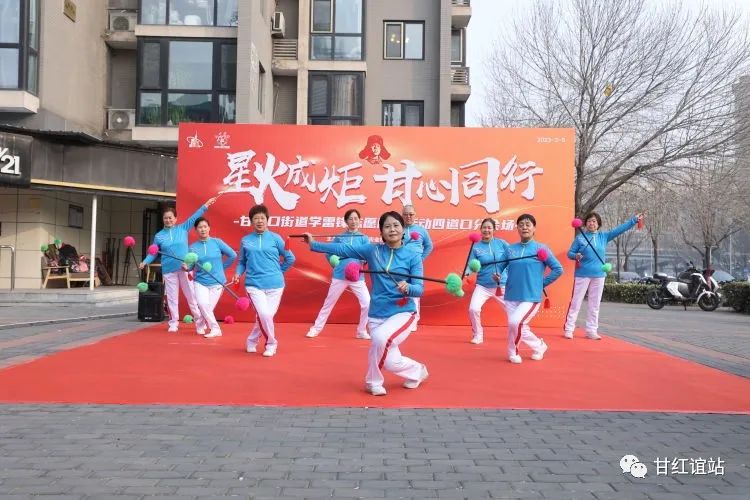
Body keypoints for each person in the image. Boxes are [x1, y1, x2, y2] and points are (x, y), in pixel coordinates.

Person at [302, 211, 427, 396]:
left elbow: (419, 288)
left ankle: (373, 382)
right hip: (377, 314)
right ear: (381, 232)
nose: (392, 229)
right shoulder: (373, 251)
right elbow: (343, 249)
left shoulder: (413, 255)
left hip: (403, 312)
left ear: (403, 230)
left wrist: (408, 287)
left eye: (396, 225)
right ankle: (417, 371)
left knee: (380, 339)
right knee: (390, 360)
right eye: (387, 226)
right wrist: (313, 244)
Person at [140, 196, 218, 333]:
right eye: (165, 218)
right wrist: (145, 262)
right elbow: (153, 252)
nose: (168, 220)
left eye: (170, 218)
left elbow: (194, 217)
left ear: (175, 219)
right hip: (169, 270)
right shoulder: (159, 236)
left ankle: (199, 321)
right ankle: (173, 323)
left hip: (185, 268)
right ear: (163, 219)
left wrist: (205, 205)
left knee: (192, 296)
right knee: (172, 297)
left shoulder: (183, 228)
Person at [563, 212, 643, 340]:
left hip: (599, 274)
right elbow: (570, 253)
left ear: (598, 224)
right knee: (576, 302)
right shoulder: (580, 238)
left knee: (594, 304)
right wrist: (576, 255)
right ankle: (569, 328)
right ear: (585, 223)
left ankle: (591, 330)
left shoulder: (603, 236)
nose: (591, 223)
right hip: (582, 274)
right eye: (589, 221)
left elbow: (619, 229)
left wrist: (634, 220)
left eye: (594, 221)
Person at [496, 214, 563, 364]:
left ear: (534, 228)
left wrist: (541, 284)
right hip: (511, 295)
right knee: (516, 326)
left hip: (530, 296)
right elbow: (499, 267)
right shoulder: (510, 250)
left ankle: (513, 351)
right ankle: (539, 346)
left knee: (515, 322)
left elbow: (558, 269)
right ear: (517, 228)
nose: (524, 227)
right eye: (521, 225)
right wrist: (497, 275)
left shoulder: (541, 249)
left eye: (528, 224)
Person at [232, 204, 295, 357]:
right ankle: (271, 344)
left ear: (267, 220)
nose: (259, 221)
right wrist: (237, 273)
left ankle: (252, 340)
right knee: (264, 315)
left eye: (262, 218)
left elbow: (290, 258)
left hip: (276, 285)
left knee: (265, 316)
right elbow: (242, 262)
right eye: (256, 218)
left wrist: (279, 271)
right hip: (254, 285)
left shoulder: (276, 238)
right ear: (251, 221)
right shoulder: (246, 240)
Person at [306, 209, 371, 339]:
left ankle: (361, 331)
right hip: (340, 275)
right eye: (351, 219)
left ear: (359, 220)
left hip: (357, 277)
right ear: (346, 221)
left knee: (367, 303)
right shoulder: (339, 237)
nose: (354, 221)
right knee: (328, 303)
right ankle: (315, 329)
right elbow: (328, 251)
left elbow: (368, 254)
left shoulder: (364, 238)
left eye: (356, 218)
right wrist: (333, 261)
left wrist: (364, 261)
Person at [185, 217, 236, 338]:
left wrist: (221, 268)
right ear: (196, 230)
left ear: (209, 228)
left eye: (205, 227)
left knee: (208, 308)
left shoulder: (217, 242)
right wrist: (185, 267)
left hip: (217, 282)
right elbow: (190, 266)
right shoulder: (192, 248)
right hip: (200, 281)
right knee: (203, 304)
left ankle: (200, 324)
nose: (203, 229)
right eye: (200, 227)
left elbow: (233, 255)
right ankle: (215, 328)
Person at [466, 218, 509, 345]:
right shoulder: (476, 247)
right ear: (481, 230)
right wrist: (466, 273)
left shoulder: (502, 243)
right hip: (483, 286)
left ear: (494, 230)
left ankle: (518, 333)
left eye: (489, 227)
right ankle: (478, 335)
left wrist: (507, 274)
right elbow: (471, 265)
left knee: (514, 312)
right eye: (484, 227)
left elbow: (512, 259)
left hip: (501, 285)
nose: (486, 230)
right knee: (473, 309)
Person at [401, 204, 433, 326]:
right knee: (400, 288)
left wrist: (421, 258)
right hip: (401, 263)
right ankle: (401, 317)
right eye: (405, 214)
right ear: (402, 215)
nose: (408, 216)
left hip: (416, 265)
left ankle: (414, 320)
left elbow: (429, 246)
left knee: (415, 289)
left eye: (411, 214)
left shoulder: (421, 230)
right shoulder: (399, 229)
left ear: (415, 215)